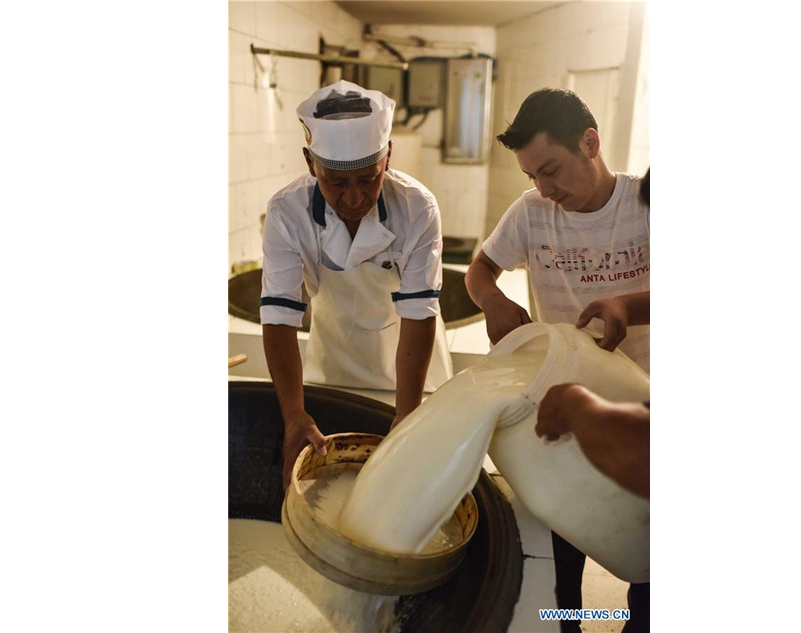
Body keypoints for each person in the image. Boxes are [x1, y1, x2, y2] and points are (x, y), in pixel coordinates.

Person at [465, 88, 649, 633]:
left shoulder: (646, 207)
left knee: (649, 556)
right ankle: (567, 624)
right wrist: (494, 302)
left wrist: (627, 306)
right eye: (532, 176)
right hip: (562, 404)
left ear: (590, 142)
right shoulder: (531, 214)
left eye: (551, 169)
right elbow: (479, 272)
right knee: (562, 556)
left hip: (646, 408)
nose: (545, 189)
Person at [261, 80, 453, 489]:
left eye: (369, 179)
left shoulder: (417, 207)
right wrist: (295, 416)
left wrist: (406, 414)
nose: (354, 198)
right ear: (311, 163)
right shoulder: (286, 213)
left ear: (388, 157)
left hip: (410, 372)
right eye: (336, 183)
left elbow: (418, 313)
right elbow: (278, 316)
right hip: (334, 361)